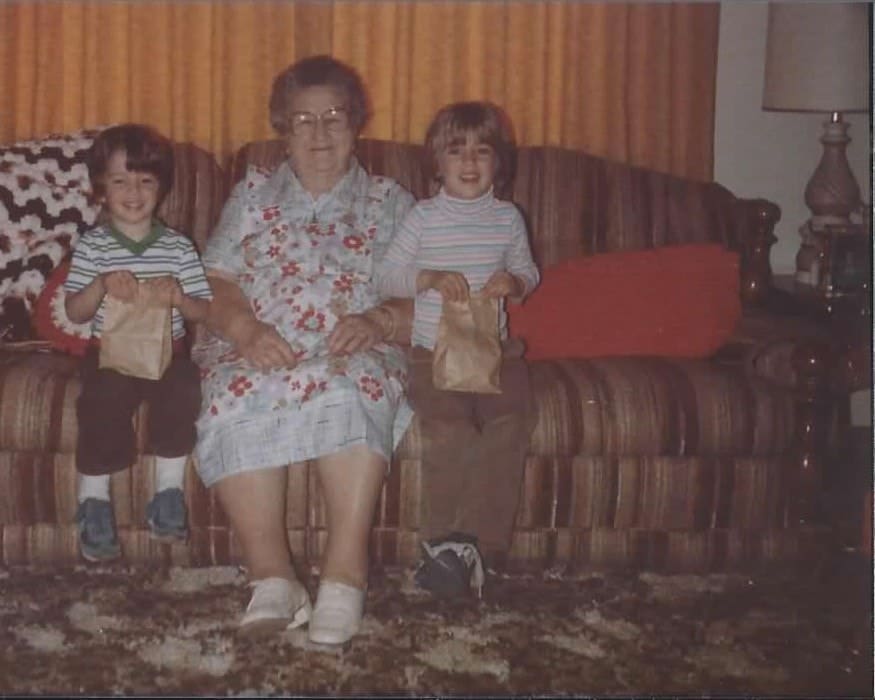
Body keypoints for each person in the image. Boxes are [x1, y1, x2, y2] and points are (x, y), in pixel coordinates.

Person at [192, 55, 415, 645]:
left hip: (353, 347)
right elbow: (213, 281)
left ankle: (345, 580)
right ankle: (273, 580)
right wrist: (244, 331)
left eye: (334, 117)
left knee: (353, 387)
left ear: (357, 123)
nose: (319, 134)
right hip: (263, 342)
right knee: (234, 393)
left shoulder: (390, 201)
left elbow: (436, 293)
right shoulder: (253, 193)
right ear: (282, 129)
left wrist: (380, 319)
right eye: (303, 120)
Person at [376, 101, 540, 598]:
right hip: (431, 352)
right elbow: (386, 276)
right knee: (449, 429)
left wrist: (512, 281)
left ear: (498, 164)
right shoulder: (423, 218)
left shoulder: (508, 218)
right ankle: (440, 545)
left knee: (510, 422)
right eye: (456, 152)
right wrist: (427, 278)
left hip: (495, 351)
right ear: (438, 164)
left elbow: (530, 275)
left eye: (482, 152)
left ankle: (481, 548)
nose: (469, 163)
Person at [65, 123, 212, 562]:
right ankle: (93, 499)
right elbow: (75, 311)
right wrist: (102, 284)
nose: (134, 191)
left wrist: (180, 298)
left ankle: (167, 492)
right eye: (120, 180)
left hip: (169, 355)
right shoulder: (93, 247)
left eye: (146, 180)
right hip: (110, 356)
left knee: (184, 387)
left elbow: (204, 311)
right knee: (100, 398)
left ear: (161, 188)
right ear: (100, 189)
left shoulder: (178, 248)